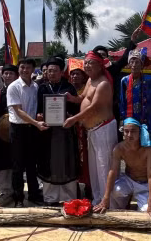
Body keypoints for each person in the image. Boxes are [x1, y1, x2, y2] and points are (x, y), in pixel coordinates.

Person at [64, 51, 118, 205]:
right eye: (85, 63)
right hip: (92, 129)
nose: (87, 66)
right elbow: (83, 98)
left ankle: (108, 202)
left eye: (90, 63)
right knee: (94, 168)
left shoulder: (103, 84)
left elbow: (94, 107)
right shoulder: (90, 81)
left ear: (100, 66)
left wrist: (74, 119)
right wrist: (72, 98)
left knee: (104, 166)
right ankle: (97, 198)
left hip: (104, 127)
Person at [36, 57, 80, 204]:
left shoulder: (69, 88)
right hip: (47, 133)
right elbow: (37, 109)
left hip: (65, 132)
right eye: (49, 71)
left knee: (67, 163)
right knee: (47, 163)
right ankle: (50, 197)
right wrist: (39, 115)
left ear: (61, 72)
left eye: (55, 71)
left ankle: (68, 197)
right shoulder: (41, 88)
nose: (52, 73)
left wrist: (70, 116)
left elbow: (76, 110)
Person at [94, 118, 151, 213]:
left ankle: (143, 200)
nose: (129, 135)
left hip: (145, 184)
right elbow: (113, 171)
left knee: (146, 210)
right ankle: (124, 205)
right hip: (129, 180)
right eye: (126, 131)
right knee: (117, 190)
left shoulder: (150, 149)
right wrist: (106, 198)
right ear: (123, 132)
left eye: (133, 131)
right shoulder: (119, 148)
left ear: (139, 132)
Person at [8, 59, 49, 207]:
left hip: (32, 129)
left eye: (28, 67)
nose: (25, 70)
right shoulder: (13, 87)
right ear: (19, 69)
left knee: (32, 164)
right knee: (18, 165)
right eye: (22, 67)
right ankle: (18, 198)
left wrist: (39, 117)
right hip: (18, 129)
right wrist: (36, 122)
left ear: (33, 70)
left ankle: (33, 194)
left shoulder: (35, 87)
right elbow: (18, 111)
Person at [119, 48, 151, 142]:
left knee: (149, 144)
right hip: (130, 116)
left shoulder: (149, 79)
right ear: (129, 64)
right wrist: (124, 119)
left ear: (142, 65)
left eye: (137, 62)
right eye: (132, 62)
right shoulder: (124, 81)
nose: (134, 65)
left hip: (147, 117)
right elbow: (122, 101)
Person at [0, 64, 17, 203]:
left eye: (11, 74)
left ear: (16, 76)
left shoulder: (20, 91)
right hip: (1, 133)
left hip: (17, 131)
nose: (7, 76)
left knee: (16, 161)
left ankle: (15, 189)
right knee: (1, 162)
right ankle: (4, 190)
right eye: (5, 74)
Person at [68, 58, 92, 199]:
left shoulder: (88, 88)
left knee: (88, 160)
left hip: (86, 129)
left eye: (78, 73)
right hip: (72, 129)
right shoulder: (68, 89)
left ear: (84, 75)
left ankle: (89, 188)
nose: (75, 76)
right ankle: (75, 189)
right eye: (73, 74)